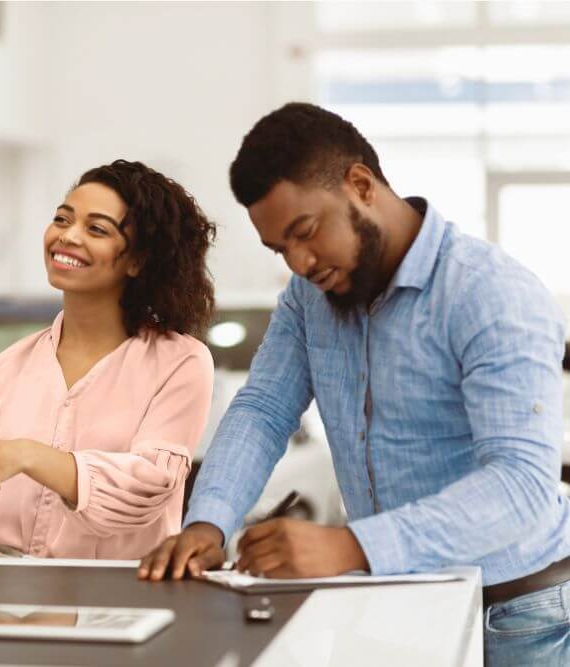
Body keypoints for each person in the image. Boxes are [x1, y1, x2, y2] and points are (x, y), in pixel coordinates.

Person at [138, 103, 570, 666]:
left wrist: (354, 546)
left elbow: (522, 484)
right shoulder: (309, 297)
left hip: (516, 615)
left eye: (305, 232)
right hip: (396, 601)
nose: (299, 262)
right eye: (280, 249)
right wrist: (209, 522)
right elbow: (264, 409)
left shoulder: (489, 293)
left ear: (361, 185)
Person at [0, 160, 216, 559]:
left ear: (139, 260)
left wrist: (26, 455)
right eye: (62, 219)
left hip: (116, 591)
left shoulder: (181, 363)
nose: (67, 236)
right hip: (0, 585)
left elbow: (148, 487)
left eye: (96, 229)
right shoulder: (9, 365)